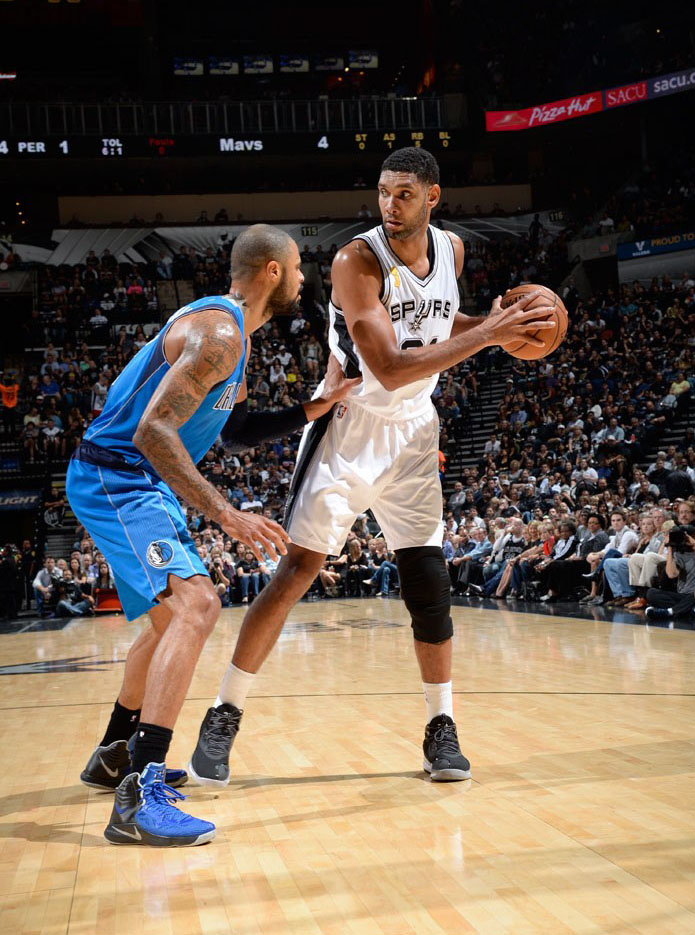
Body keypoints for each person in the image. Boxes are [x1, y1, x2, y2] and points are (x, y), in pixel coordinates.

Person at [189, 147, 555, 788]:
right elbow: (385, 365)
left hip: (415, 433)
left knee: (428, 581)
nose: (390, 205)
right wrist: (490, 336)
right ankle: (223, 714)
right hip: (350, 425)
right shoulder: (356, 261)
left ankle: (442, 727)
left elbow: (441, 324)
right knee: (298, 569)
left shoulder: (454, 252)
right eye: (384, 192)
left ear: (434, 197)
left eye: (405, 194)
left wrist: (496, 323)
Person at [66, 224, 357, 847]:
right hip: (117, 476)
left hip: (141, 484)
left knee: (171, 620)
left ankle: (116, 750)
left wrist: (318, 405)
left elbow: (238, 433)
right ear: (272, 271)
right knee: (198, 605)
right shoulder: (219, 333)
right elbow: (153, 433)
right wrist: (230, 515)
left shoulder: (237, 346)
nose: (304, 277)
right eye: (298, 266)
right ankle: (141, 797)